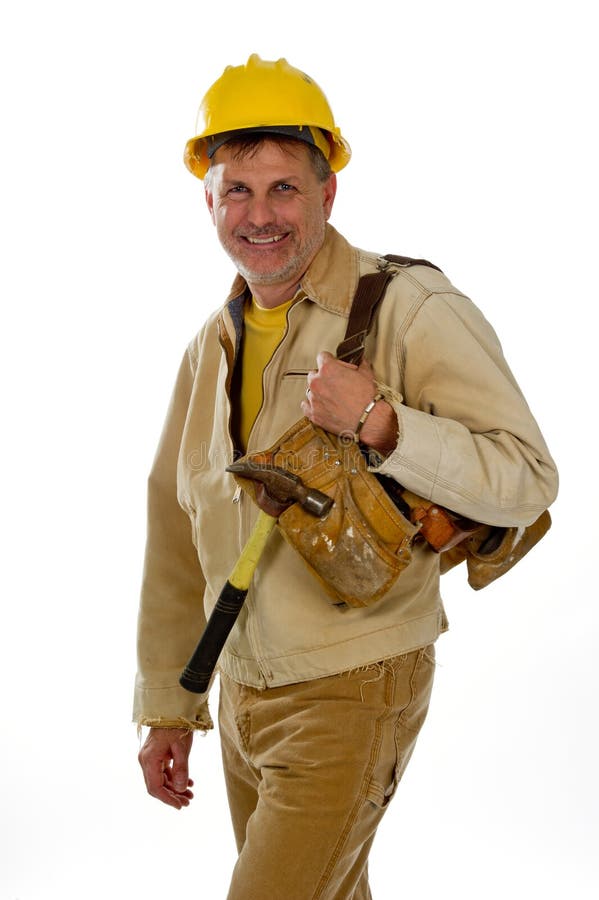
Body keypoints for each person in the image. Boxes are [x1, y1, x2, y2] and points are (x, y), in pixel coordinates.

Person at [134, 54, 558, 899]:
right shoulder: (208, 346)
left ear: (328, 194)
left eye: (284, 188)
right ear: (208, 201)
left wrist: (382, 424)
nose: (260, 216)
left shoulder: (408, 308)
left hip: (352, 687)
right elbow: (177, 531)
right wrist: (170, 702)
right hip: (245, 694)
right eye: (237, 191)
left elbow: (526, 478)